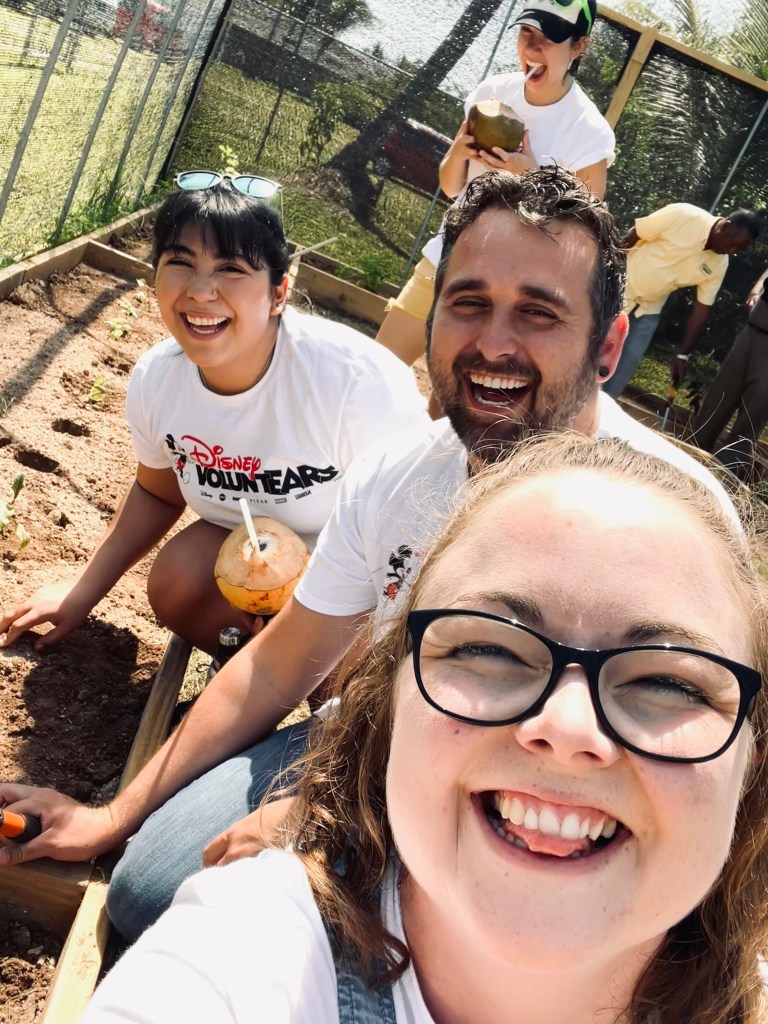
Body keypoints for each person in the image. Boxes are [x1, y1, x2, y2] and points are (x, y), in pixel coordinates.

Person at [0, 169, 736, 943]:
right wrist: (112, 814)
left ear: (608, 345)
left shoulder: (669, 519)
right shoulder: (399, 474)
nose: (492, 343)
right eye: (469, 303)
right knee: (149, 891)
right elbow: (276, 666)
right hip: (375, 734)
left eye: (538, 314)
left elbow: (661, 769)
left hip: (555, 795)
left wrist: (335, 812)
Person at [80, 433, 768, 1024]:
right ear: (385, 703)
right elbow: (281, 661)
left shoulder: (673, 502)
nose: (565, 727)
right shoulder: (249, 956)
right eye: (489, 648)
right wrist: (116, 815)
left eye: (668, 682)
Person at [0, 177, 427, 655]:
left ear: (278, 293)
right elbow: (156, 493)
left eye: (231, 269)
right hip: (251, 562)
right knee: (179, 579)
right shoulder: (158, 380)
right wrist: (80, 590)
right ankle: (254, 667)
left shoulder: (355, 384)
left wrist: (324, 611)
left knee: (345, 677)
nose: (201, 291)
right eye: (180, 262)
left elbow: (413, 535)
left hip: (358, 568)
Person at [375, 0, 614, 370]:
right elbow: (453, 188)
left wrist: (531, 177)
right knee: (375, 369)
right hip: (448, 260)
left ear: (579, 46)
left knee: (452, 413)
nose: (531, 49)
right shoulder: (493, 93)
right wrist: (458, 153)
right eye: (525, 33)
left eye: (548, 38)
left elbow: (581, 242)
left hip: (507, 299)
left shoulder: (588, 132)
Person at [603, 203, 759, 400]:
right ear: (726, 226)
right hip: (616, 292)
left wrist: (682, 355)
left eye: (738, 249)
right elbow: (635, 233)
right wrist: (606, 278)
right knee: (591, 354)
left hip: (647, 311)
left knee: (622, 370)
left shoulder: (719, 264)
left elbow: (701, 310)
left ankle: (595, 422)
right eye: (732, 244)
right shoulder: (684, 215)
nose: (731, 251)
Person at [688, 268, 768, 479]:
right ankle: (688, 465)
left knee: (751, 418)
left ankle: (721, 481)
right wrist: (756, 290)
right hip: (752, 330)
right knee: (717, 400)